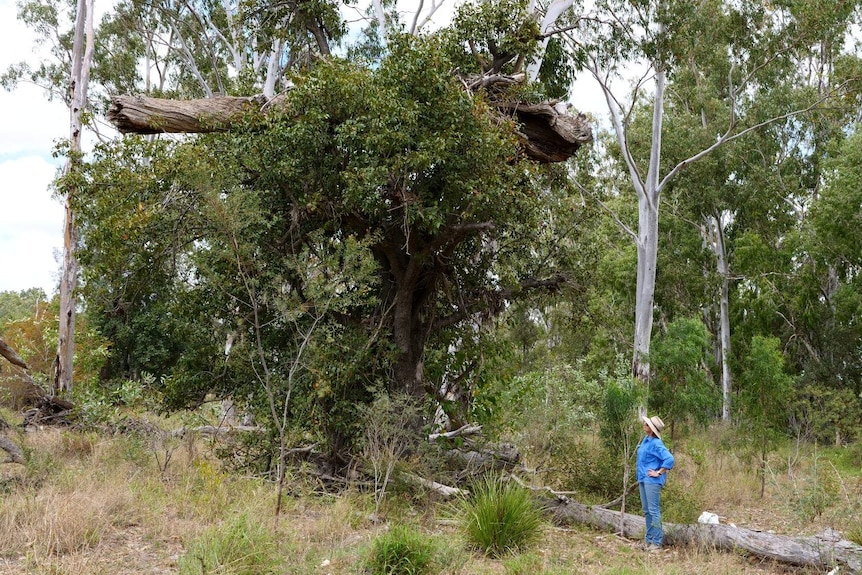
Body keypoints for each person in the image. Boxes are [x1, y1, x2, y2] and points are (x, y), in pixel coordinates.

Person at [636, 415, 674, 552]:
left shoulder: (656, 443)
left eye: (647, 424)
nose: (644, 425)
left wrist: (659, 472)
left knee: (653, 510)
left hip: (652, 481)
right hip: (642, 478)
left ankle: (657, 543)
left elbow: (669, 459)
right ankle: (649, 540)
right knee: (647, 511)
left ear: (651, 429)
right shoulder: (646, 440)